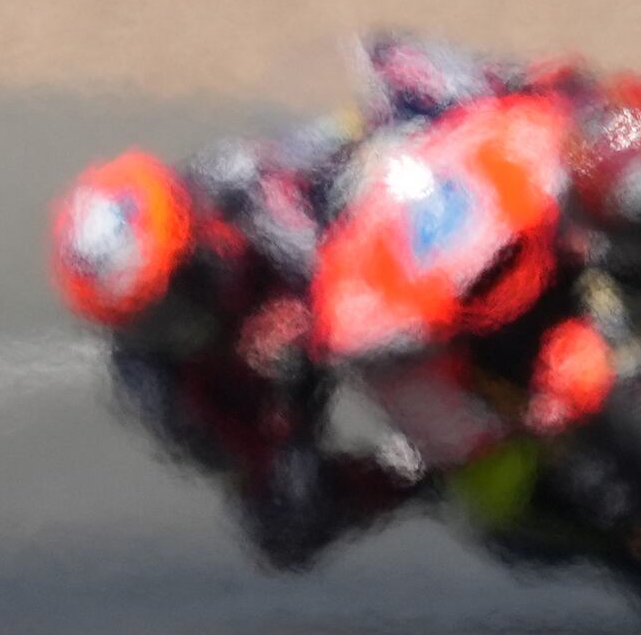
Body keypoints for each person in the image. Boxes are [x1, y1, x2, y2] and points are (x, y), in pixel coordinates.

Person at [50, 124, 424, 569]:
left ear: (200, 231)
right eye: (152, 322)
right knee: (286, 525)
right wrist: (288, 405)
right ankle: (419, 473)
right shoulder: (155, 386)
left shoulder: (242, 184)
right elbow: (252, 468)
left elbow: (354, 144)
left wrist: (312, 307)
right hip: (290, 377)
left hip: (356, 274)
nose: (181, 321)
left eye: (183, 290)